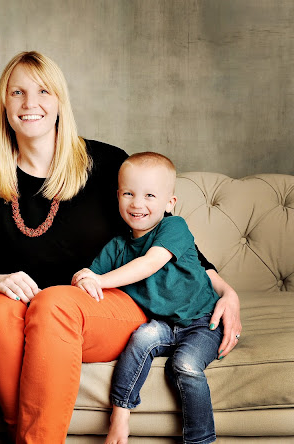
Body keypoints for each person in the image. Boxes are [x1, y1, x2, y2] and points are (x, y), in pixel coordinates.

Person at [0, 51, 242, 444]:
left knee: (54, 302)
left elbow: (171, 239)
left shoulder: (106, 163)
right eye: (17, 92)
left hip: (110, 305)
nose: (30, 103)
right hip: (33, 308)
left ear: (59, 100)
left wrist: (227, 292)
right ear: (4, 104)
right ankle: (25, 435)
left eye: (43, 91)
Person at [73, 152, 225, 444]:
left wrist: (100, 280)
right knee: (140, 338)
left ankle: (200, 440)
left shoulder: (174, 227)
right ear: (118, 196)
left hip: (203, 321)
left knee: (184, 365)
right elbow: (89, 279)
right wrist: (83, 278)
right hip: (163, 325)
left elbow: (149, 263)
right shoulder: (117, 247)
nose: (137, 203)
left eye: (150, 195)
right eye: (128, 193)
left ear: (170, 203)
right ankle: (120, 415)